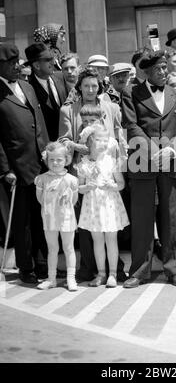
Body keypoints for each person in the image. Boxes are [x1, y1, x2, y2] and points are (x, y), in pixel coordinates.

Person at [121, 50, 176, 288]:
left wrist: (172, 149)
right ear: (146, 71)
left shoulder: (175, 93)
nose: (163, 72)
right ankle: (138, 271)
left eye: (164, 67)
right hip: (142, 161)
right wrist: (152, 151)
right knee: (142, 218)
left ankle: (174, 269)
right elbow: (131, 125)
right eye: (158, 68)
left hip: (170, 161)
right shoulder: (130, 92)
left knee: (171, 217)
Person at [0, 43, 49, 283]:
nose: (16, 66)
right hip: (17, 168)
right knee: (24, 221)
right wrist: (5, 170)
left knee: (42, 217)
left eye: (16, 61)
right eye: (10, 63)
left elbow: (38, 122)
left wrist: (49, 152)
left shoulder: (28, 87)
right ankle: (26, 267)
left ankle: (43, 265)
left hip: (40, 164)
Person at [77, 124, 129, 288]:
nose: (103, 143)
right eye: (99, 140)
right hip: (93, 207)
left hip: (109, 205)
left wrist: (112, 185)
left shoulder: (111, 161)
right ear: (90, 141)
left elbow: (121, 184)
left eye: (106, 140)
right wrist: (87, 187)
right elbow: (79, 187)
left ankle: (113, 273)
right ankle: (101, 273)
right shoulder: (83, 164)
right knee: (97, 240)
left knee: (111, 239)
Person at [35, 142, 78, 291]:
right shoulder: (41, 179)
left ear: (66, 159)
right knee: (52, 248)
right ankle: (51, 279)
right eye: (51, 159)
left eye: (59, 159)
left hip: (66, 218)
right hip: (49, 218)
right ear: (47, 160)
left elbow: (74, 201)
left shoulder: (71, 180)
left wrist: (66, 200)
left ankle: (71, 278)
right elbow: (40, 199)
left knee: (69, 247)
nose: (55, 163)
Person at [25, 42, 67, 141]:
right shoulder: (28, 88)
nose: (53, 62)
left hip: (67, 144)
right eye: (48, 60)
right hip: (47, 148)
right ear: (37, 66)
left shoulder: (60, 77)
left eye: (52, 58)